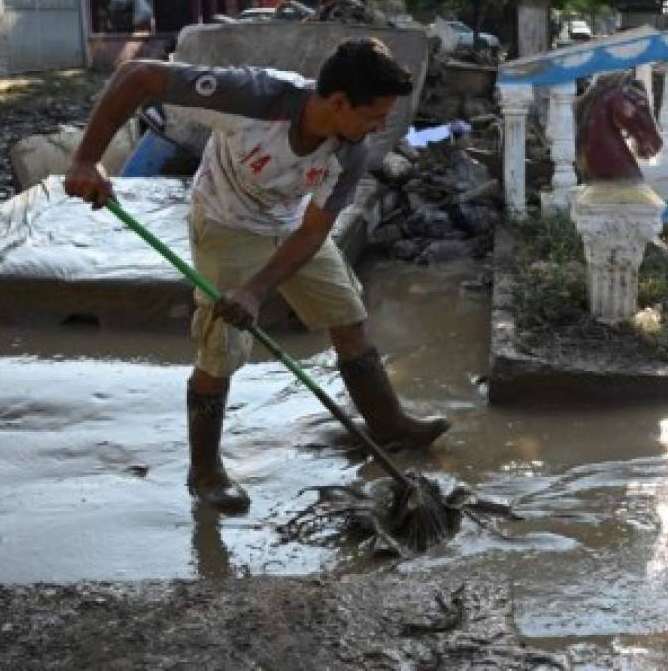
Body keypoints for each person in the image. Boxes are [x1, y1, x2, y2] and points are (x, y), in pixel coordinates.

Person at [65, 38, 450, 513]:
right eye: (374, 115)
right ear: (337, 102)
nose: (380, 126)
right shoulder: (252, 98)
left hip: (291, 228)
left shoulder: (350, 151)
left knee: (347, 316)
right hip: (224, 222)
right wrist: (86, 159)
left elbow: (313, 233)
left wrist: (256, 290)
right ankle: (205, 471)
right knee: (221, 345)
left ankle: (388, 426)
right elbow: (138, 76)